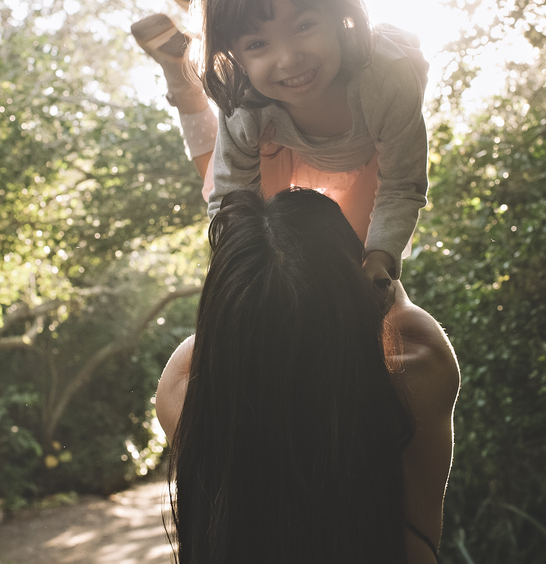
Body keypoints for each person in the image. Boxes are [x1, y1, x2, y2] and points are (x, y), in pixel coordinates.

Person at [155, 188, 460, 564]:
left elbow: (218, 340)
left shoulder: (186, 390)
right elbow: (388, 290)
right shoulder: (417, 366)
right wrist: (376, 252)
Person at [131, 0, 429, 286]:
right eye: (257, 44)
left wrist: (380, 258)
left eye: (304, 25)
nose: (289, 59)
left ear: (339, 15)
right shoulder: (245, 102)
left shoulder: (385, 78)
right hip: (277, 142)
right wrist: (240, 275)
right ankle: (188, 73)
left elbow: (401, 184)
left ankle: (225, 8)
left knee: (352, 255)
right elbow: (230, 197)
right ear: (233, 55)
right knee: (251, 215)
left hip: (368, 156)